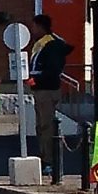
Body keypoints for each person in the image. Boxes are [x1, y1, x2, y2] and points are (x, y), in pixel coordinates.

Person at [27, 14, 73, 179]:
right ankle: (44, 157)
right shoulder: (42, 44)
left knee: (47, 126)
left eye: (34, 26)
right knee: (41, 126)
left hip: (47, 89)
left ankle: (49, 161)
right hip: (40, 90)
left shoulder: (51, 44)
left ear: (40, 26)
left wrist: (34, 80)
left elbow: (52, 71)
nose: (32, 30)